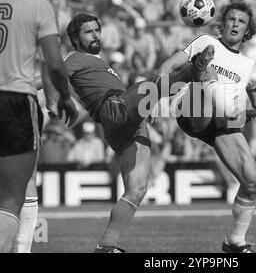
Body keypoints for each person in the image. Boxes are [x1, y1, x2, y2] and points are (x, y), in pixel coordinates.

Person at [42, 13, 208, 253]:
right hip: (112, 109)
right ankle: (194, 69)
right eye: (89, 32)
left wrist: (145, 107)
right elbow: (48, 74)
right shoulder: (75, 58)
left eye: (97, 30)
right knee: (146, 86)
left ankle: (106, 245)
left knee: (138, 189)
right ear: (75, 38)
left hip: (126, 125)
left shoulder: (101, 61)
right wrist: (29, 91)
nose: (96, 34)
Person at [158, 2, 256, 253]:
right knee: (207, 72)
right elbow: (167, 67)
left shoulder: (247, 65)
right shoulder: (204, 41)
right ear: (222, 24)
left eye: (241, 22)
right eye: (232, 19)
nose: (235, 24)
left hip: (222, 124)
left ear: (248, 31)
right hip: (192, 108)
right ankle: (207, 77)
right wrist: (156, 99)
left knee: (252, 181)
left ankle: (234, 241)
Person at [0, 0, 78, 253]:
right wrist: (64, 98)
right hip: (17, 101)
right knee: (13, 194)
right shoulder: (39, 5)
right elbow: (53, 64)